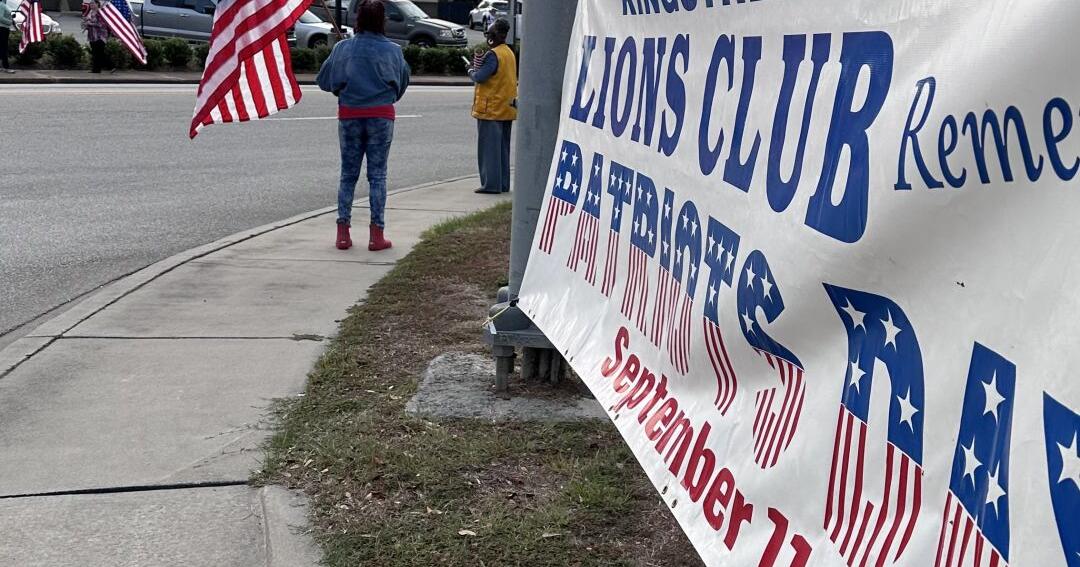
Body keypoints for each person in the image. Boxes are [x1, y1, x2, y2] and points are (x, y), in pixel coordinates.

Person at [317, 0, 410, 251]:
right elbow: (401, 84)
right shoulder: (393, 51)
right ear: (383, 21)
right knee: (377, 175)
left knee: (348, 175)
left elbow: (324, 81)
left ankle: (343, 233)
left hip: (349, 115)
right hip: (381, 115)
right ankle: (376, 234)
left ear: (358, 19)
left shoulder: (343, 49)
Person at [469, 18, 517, 194]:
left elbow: (480, 77)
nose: (487, 37)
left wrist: (470, 70)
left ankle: (491, 185)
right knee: (502, 149)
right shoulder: (509, 52)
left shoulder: (493, 54)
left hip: (491, 109)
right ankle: (503, 184)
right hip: (506, 107)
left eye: (489, 33)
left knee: (489, 150)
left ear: (495, 35)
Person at [83, 0, 109, 73]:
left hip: (100, 36)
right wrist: (86, 25)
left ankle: (109, 66)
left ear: (97, 4)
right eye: (90, 4)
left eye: (93, 3)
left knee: (99, 53)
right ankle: (95, 69)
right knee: (94, 53)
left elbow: (101, 24)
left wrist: (90, 24)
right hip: (92, 36)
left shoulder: (100, 13)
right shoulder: (90, 12)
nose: (91, 5)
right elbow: (86, 21)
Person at [0, 0, 14, 74]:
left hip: (3, 28)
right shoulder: (1, 5)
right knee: (4, 48)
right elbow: (0, 17)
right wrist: (10, 22)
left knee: (2, 48)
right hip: (2, 29)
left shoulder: (3, 5)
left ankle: (3, 67)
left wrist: (10, 17)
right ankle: (6, 67)